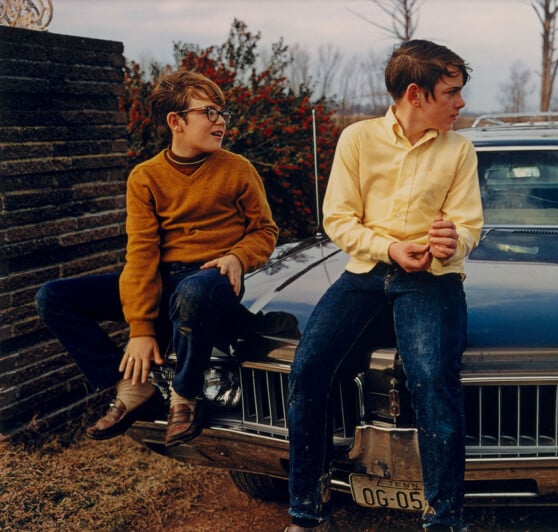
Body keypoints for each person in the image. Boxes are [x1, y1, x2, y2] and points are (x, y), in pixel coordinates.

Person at [286, 40, 483, 531]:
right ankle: (306, 514)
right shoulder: (357, 139)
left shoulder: (460, 149)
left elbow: (469, 227)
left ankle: (444, 521)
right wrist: (390, 249)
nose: (461, 103)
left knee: (433, 383)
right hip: (367, 272)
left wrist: (449, 241)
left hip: (433, 281)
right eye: (452, 93)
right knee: (308, 370)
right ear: (415, 94)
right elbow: (338, 219)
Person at [36, 70, 279, 446]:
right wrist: (141, 330)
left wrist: (238, 257)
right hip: (164, 281)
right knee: (52, 297)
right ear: (176, 121)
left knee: (193, 291)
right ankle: (134, 387)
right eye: (209, 112)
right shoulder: (145, 177)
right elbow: (141, 255)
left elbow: (265, 230)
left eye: (223, 114)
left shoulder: (237, 169)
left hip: (212, 281)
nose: (220, 122)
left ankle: (184, 396)